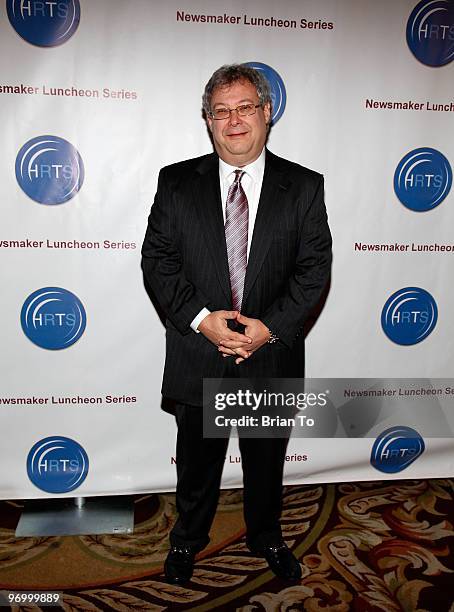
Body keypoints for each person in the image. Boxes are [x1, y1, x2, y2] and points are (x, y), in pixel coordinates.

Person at [142, 64, 332, 584]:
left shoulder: (305, 187)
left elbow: (314, 269)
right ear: (208, 121)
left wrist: (267, 329)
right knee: (197, 461)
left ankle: (266, 536)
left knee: (265, 462)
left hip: (268, 354)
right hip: (198, 350)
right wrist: (203, 321)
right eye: (221, 111)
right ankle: (187, 541)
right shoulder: (176, 182)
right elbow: (157, 260)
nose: (234, 120)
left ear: (266, 113)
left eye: (245, 107)